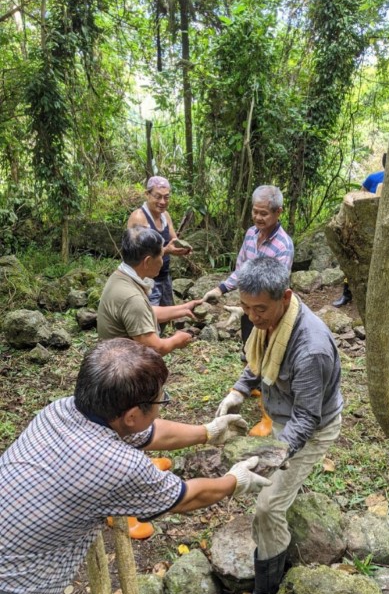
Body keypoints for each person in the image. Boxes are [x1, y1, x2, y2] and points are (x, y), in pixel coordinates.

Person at [0, 338, 271, 594]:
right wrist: (234, 482)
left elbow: (147, 433)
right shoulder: (115, 465)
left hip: (24, 586)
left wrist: (207, 432)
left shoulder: (62, 411)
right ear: (130, 413)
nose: (162, 407)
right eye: (160, 401)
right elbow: (187, 495)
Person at [215, 257, 343, 594]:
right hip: (285, 414)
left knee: (267, 508)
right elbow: (257, 362)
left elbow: (308, 420)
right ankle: (286, 507)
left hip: (313, 426)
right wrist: (239, 390)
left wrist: (273, 458)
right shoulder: (269, 323)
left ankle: (266, 592)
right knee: (276, 488)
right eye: (246, 307)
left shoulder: (310, 348)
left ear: (286, 298)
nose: (252, 316)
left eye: (260, 309)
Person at [202, 185, 294, 435]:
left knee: (269, 359)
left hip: (269, 310)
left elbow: (276, 287)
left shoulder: (284, 245)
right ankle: (252, 385)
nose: (258, 217)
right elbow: (242, 270)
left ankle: (269, 417)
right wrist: (220, 289)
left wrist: (257, 309)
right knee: (250, 351)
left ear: (278, 212)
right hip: (249, 307)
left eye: (264, 213)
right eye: (255, 212)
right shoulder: (251, 234)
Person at [97, 227, 201, 355]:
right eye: (161, 256)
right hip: (123, 369)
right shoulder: (133, 298)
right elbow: (154, 349)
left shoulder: (119, 277)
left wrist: (184, 309)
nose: (162, 262)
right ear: (147, 261)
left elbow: (146, 313)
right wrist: (177, 340)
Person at [127, 175, 192, 307]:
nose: (162, 201)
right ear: (147, 194)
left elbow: (173, 239)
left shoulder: (165, 216)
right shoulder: (139, 217)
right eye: (158, 196)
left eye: (166, 197)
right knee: (150, 318)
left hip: (164, 275)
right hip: (146, 280)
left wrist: (182, 248)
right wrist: (167, 250)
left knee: (166, 316)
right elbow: (139, 255)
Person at [333, 153, 386, 307]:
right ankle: (347, 294)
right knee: (353, 258)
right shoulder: (374, 178)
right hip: (367, 227)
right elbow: (357, 198)